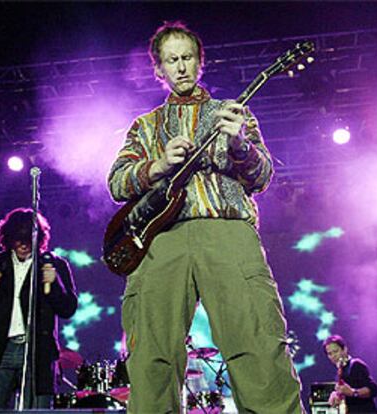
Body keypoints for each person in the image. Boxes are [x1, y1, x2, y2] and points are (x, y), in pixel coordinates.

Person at [107, 21, 304, 413]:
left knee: (257, 343)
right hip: (161, 241)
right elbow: (117, 183)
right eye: (171, 60)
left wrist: (240, 146)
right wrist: (158, 165)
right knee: (152, 356)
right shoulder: (144, 127)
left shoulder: (233, 113)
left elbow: (262, 176)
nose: (180, 67)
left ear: (200, 63)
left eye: (187, 58)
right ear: (158, 70)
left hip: (227, 231)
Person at [0, 207, 78, 413]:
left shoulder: (53, 264)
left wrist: (55, 285)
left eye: (27, 239)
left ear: (38, 238)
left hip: (36, 351)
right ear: (8, 238)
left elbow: (68, 309)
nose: (23, 245)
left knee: (35, 411)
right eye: (17, 239)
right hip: (0, 351)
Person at [323, 334, 377, 413]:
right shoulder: (340, 371)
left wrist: (353, 392)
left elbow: (373, 390)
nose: (333, 356)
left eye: (335, 351)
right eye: (330, 354)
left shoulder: (356, 365)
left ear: (344, 349)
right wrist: (337, 395)